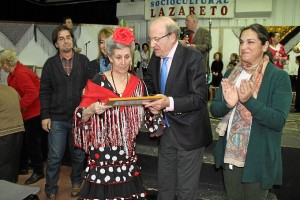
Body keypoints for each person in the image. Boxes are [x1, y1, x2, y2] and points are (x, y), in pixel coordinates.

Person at [210, 24, 292, 200]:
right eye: (241, 42)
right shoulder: (232, 72)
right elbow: (215, 109)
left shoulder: (278, 77)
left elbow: (278, 120)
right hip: (230, 155)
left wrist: (249, 102)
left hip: (259, 157)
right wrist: (228, 104)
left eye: (250, 42)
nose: (243, 47)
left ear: (264, 46)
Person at [73, 27, 147, 200]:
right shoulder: (98, 82)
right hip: (101, 153)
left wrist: (155, 110)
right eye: (118, 57)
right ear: (110, 57)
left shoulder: (138, 85)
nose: (123, 62)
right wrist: (91, 109)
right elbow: (80, 116)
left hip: (126, 152)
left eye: (127, 57)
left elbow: (148, 118)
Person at [143, 16, 213, 200]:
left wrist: (168, 103)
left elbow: (199, 98)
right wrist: (152, 103)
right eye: (150, 39)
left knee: (185, 192)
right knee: (164, 187)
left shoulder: (193, 57)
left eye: (156, 39)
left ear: (172, 36)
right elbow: (149, 83)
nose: (152, 44)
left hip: (190, 133)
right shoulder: (156, 57)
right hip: (166, 131)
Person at [40, 25, 90, 200]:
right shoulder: (50, 64)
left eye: (68, 37)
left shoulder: (84, 61)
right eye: (61, 38)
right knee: (54, 157)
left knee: (78, 155)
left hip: (79, 118)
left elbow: (91, 87)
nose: (65, 41)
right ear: (56, 44)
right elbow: (44, 91)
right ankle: (51, 189)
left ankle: (76, 182)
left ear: (72, 39)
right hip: (57, 119)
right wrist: (45, 115)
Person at [0, 49, 45, 185]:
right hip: (26, 113)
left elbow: (33, 93)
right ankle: (24, 167)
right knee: (25, 143)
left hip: (33, 113)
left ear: (7, 63)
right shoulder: (12, 75)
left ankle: (39, 171)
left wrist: (17, 105)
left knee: (33, 144)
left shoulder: (21, 74)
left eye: (1, 64)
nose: (1, 67)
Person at [0, 84, 25, 183]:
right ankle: (12, 187)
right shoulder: (11, 89)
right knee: (13, 163)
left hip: (4, 132)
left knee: (3, 165)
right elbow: (22, 107)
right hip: (19, 130)